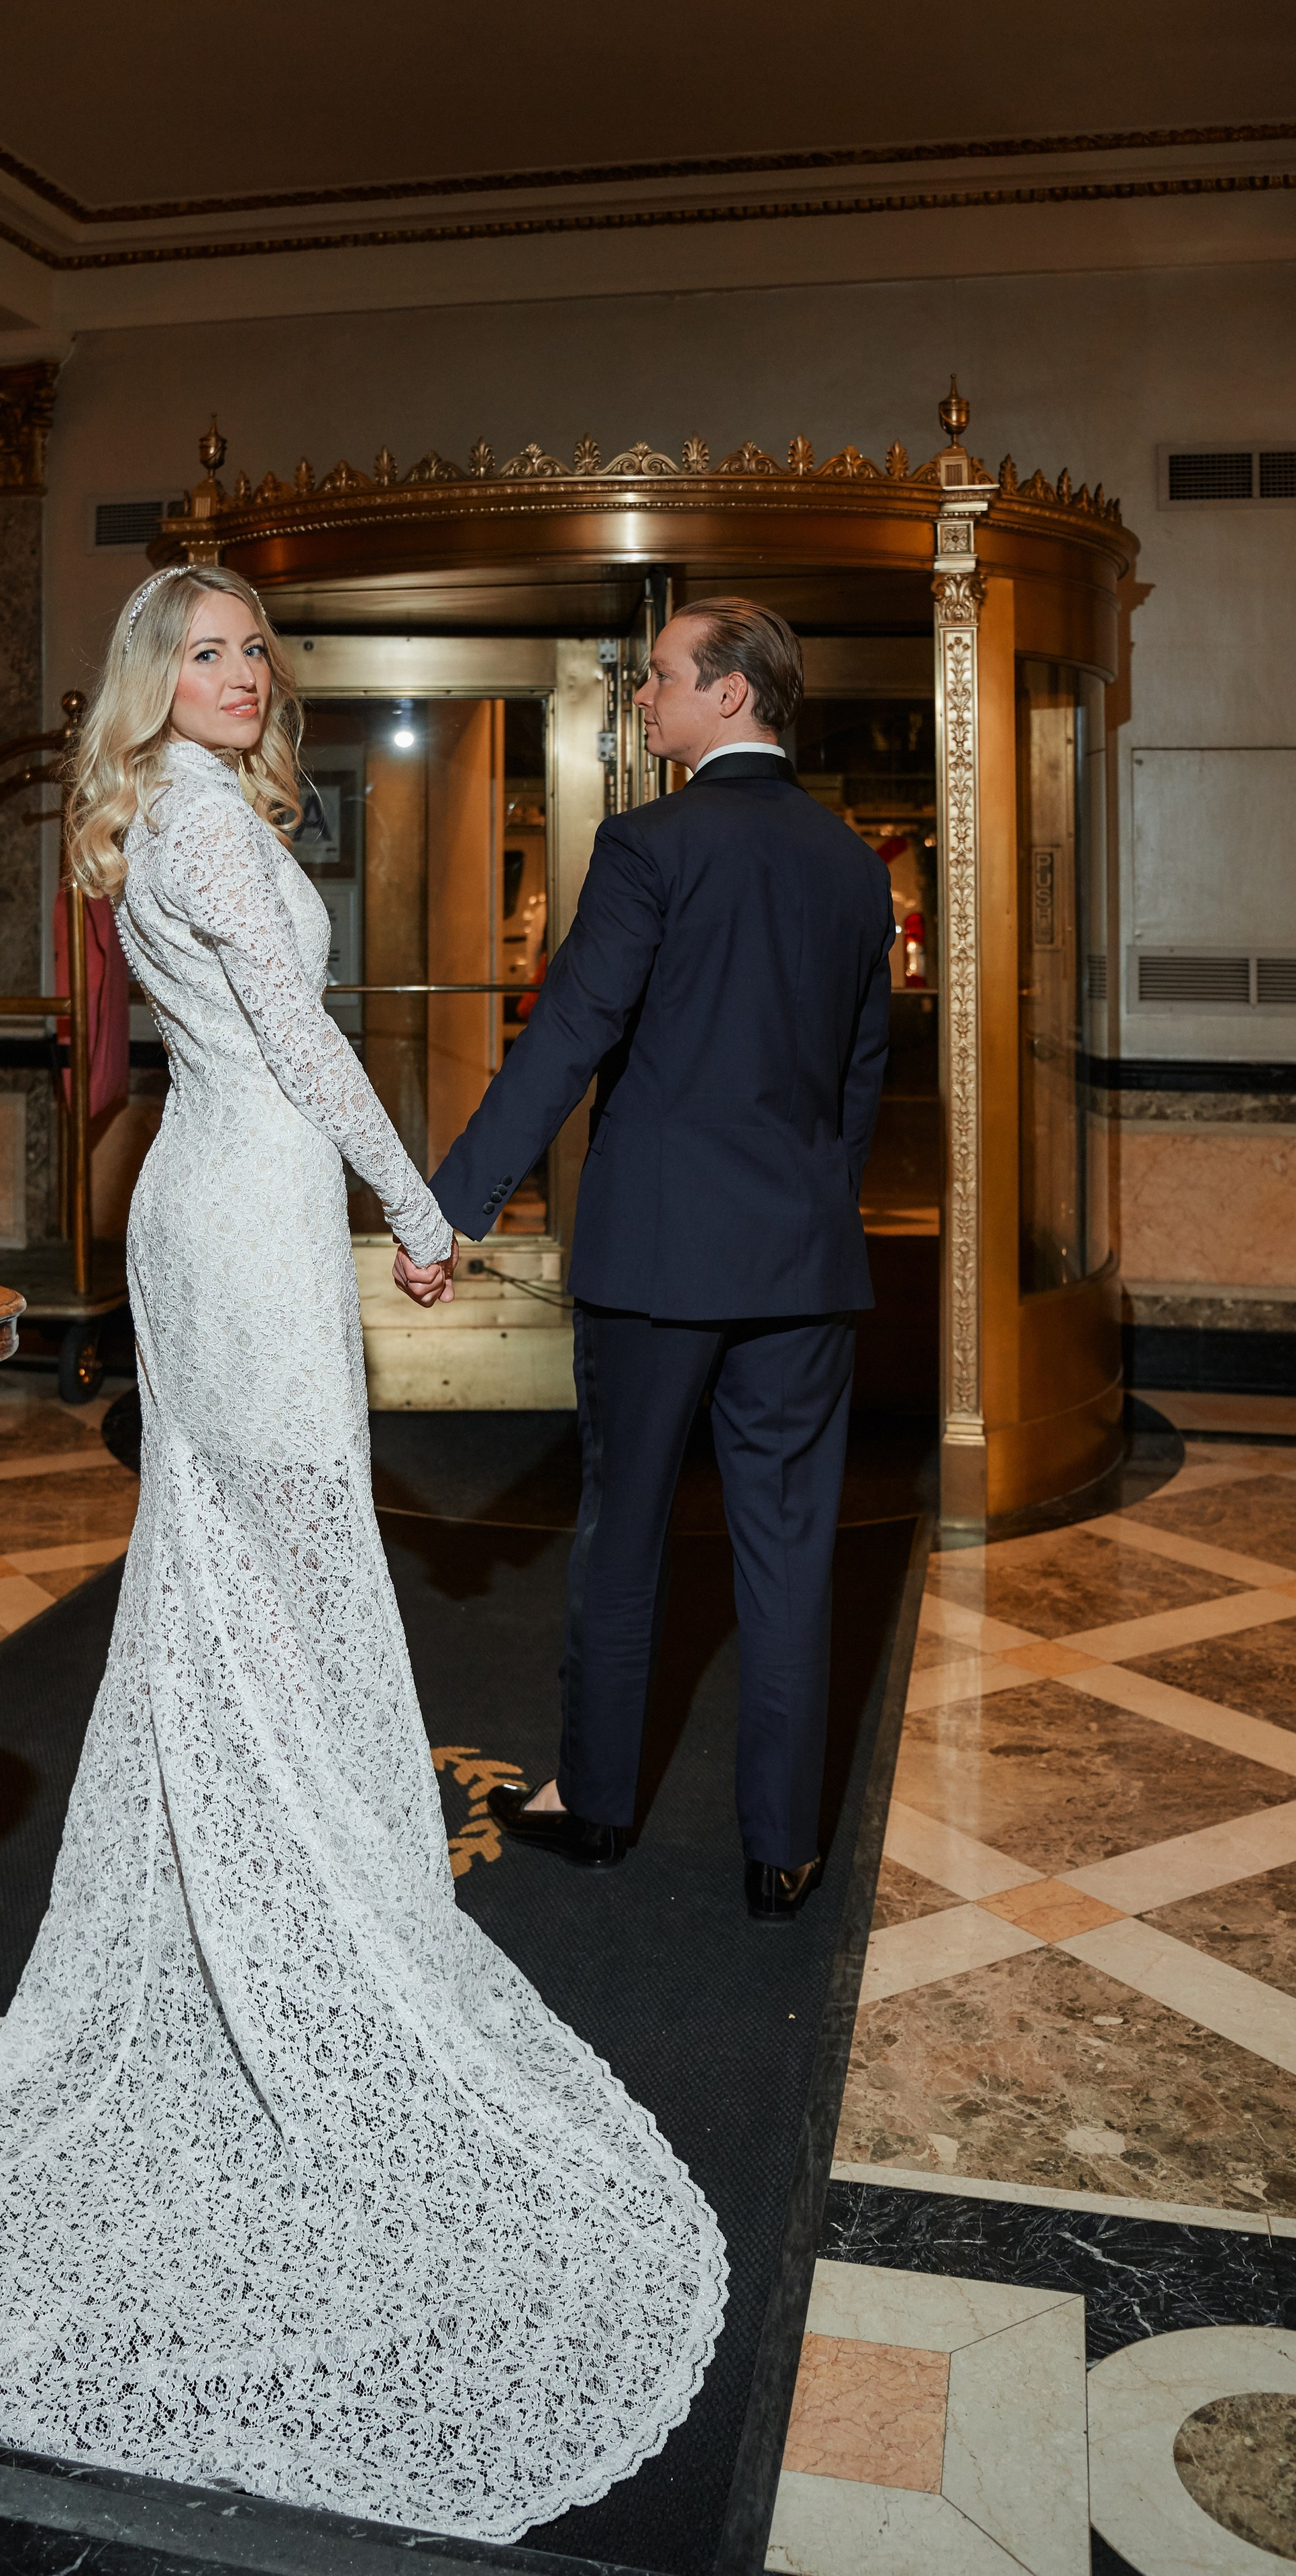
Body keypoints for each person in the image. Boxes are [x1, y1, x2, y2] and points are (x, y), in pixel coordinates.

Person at [0, 565, 726, 2542]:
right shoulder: (189, 823)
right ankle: (289, 1921)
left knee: (247, 1582)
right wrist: (425, 1209)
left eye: (251, 649)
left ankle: (261, 1885)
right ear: (152, 680)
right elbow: (297, 1041)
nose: (237, 673)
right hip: (250, 1213)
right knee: (268, 1575)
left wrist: (370, 1202)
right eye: (201, 653)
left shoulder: (213, 812)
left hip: (244, 1211)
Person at [398, 599, 894, 1924]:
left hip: (656, 1262)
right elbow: (857, 1084)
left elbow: (566, 1039)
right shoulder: (854, 869)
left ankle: (598, 1808)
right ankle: (780, 1851)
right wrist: (807, 1213)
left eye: (665, 677)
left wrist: (450, 1204)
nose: (645, 699)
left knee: (623, 1535)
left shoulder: (646, 846)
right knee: (788, 1552)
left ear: (731, 695)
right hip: (800, 1262)